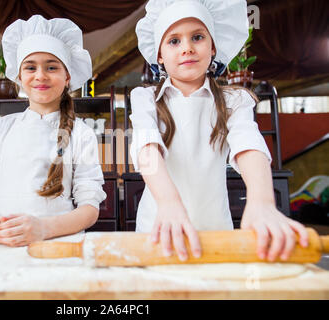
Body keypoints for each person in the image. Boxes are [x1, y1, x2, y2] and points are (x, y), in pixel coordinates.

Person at [131, 0, 308, 261]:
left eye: (198, 37)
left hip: (215, 232)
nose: (187, 48)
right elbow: (147, 148)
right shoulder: (145, 98)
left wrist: (262, 202)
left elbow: (248, 144)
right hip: (159, 228)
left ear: (213, 47)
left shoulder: (233, 101)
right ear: (158, 55)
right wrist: (169, 204)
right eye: (174, 41)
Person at [0, 15, 106, 247]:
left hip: (61, 245)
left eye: (51, 67)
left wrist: (42, 228)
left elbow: (89, 208)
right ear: (19, 76)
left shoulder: (82, 134)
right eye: (30, 67)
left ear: (67, 76)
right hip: (4, 246)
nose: (40, 75)